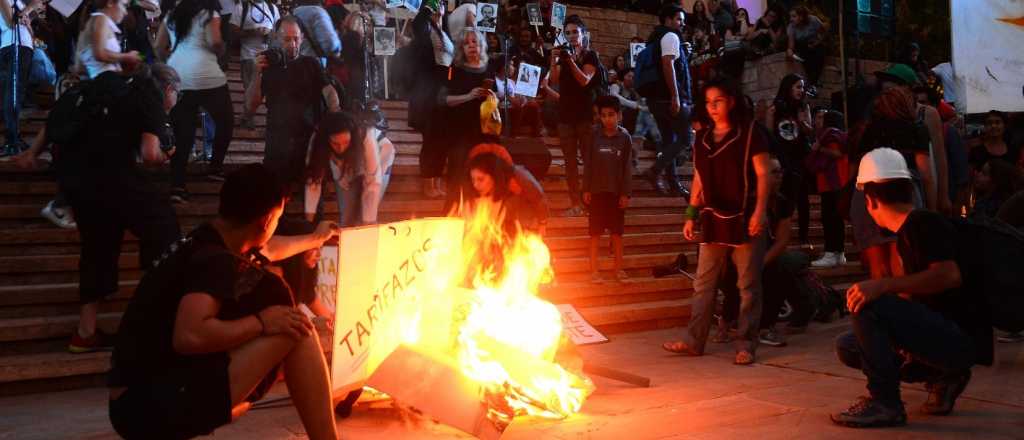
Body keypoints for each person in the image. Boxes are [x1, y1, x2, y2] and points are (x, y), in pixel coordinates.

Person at [108, 164, 342, 440]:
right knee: (297, 329)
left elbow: (270, 247)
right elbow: (190, 336)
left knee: (291, 327)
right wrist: (261, 322)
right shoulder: (214, 261)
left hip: (133, 398)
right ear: (266, 220)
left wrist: (316, 238)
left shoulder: (209, 239)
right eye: (277, 218)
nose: (275, 225)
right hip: (145, 407)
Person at [831, 148, 992, 428]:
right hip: (947, 336)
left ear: (869, 199)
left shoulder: (924, 223)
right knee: (849, 345)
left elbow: (948, 275)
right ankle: (942, 377)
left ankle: (885, 403)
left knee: (866, 301)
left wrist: (882, 286)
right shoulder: (911, 230)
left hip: (960, 340)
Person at [30, 64, 181, 353]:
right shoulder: (150, 95)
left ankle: (85, 333)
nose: (175, 103)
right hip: (114, 177)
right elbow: (150, 155)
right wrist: (167, 154)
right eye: (178, 96)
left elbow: (53, 122)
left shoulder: (99, 90)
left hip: (78, 183)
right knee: (165, 230)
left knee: (97, 249)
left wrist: (31, 153)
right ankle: (155, 319)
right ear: (169, 89)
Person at [662, 77, 772, 366]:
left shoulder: (750, 134)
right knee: (703, 283)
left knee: (747, 285)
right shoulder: (703, 138)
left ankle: (746, 342)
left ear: (731, 102)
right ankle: (693, 340)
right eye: (708, 102)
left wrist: (760, 210)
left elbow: (763, 174)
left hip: (745, 217)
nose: (712, 107)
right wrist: (690, 213)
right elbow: (698, 176)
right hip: (712, 218)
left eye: (718, 101)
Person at [716, 155, 813, 347]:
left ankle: (766, 327)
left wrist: (760, 263)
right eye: (774, 172)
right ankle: (726, 322)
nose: (780, 176)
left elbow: (782, 240)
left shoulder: (783, 202)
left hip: (767, 255)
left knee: (780, 268)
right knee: (732, 271)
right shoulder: (746, 200)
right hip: (740, 253)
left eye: (781, 172)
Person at [246, 15, 340, 185]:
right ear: (276, 37)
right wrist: (256, 72)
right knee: (274, 200)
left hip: (308, 142)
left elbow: (329, 92)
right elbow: (250, 106)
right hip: (278, 144)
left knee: (312, 197)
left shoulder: (311, 64)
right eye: (287, 39)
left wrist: (336, 119)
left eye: (296, 39)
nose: (293, 44)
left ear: (302, 38)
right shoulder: (267, 65)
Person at [156, 0, 234, 203]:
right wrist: (222, 50)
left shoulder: (171, 14)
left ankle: (178, 186)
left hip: (179, 76)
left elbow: (159, 47)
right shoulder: (209, 13)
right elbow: (215, 42)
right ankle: (215, 167)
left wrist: (171, 61)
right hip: (208, 76)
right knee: (225, 122)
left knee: (183, 133)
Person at [850, 87, 932, 280]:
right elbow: (926, 174)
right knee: (903, 258)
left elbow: (853, 170)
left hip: (867, 192)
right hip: (903, 191)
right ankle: (903, 306)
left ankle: (883, 307)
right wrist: (932, 209)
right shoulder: (917, 129)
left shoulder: (867, 130)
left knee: (877, 264)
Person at [303, 112, 395, 227]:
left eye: (345, 142)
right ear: (326, 139)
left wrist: (368, 224)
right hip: (346, 166)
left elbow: (372, 184)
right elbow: (313, 182)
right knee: (347, 219)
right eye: (335, 143)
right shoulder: (318, 139)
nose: (341, 148)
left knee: (366, 216)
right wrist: (307, 224)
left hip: (380, 156)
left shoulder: (365, 135)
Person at [549, 14, 600, 216]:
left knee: (588, 161)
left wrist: (570, 61)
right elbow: (553, 79)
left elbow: (584, 80)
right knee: (570, 162)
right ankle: (575, 204)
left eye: (575, 32)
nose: (571, 35)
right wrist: (553, 60)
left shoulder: (590, 55)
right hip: (565, 114)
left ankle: (590, 203)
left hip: (584, 114)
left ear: (582, 33)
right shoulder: (563, 55)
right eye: (567, 32)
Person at [442, 28, 496, 210]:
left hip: (484, 132)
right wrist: (468, 96)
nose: (472, 46)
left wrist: (492, 98)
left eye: (475, 42)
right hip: (459, 133)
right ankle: (450, 217)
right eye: (467, 43)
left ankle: (478, 222)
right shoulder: (454, 69)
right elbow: (444, 100)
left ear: (482, 45)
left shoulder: (489, 68)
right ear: (461, 48)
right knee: (457, 178)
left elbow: (495, 97)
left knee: (482, 178)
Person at [642, 5, 693, 198]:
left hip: (655, 99)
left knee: (669, 140)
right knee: (686, 138)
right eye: (679, 19)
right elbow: (668, 64)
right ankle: (655, 170)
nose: (682, 23)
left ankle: (673, 183)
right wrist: (675, 96)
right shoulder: (670, 36)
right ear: (668, 19)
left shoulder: (655, 38)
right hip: (668, 98)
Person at [583, 96, 633, 283]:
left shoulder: (625, 137)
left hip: (616, 194)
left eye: (611, 115)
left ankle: (618, 270)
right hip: (596, 192)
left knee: (617, 234)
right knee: (594, 234)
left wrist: (625, 193)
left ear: (619, 115)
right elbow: (588, 164)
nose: (607, 119)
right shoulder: (594, 135)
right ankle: (594, 272)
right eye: (603, 115)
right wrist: (586, 189)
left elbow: (627, 168)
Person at [410, 1, 453, 199]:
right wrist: (428, 8)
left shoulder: (444, 30)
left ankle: (436, 181)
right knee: (430, 141)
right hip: (430, 91)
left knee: (442, 141)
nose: (440, 8)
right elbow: (417, 23)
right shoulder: (425, 28)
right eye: (437, 4)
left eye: (442, 4)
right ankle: (427, 183)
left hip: (445, 89)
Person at [766, 74, 813, 244]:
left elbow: (810, 132)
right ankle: (777, 235)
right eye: (797, 87)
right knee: (781, 196)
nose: (801, 90)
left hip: (799, 157)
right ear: (788, 87)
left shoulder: (803, 108)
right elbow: (769, 134)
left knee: (802, 198)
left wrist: (802, 122)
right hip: (782, 158)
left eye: (802, 87)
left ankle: (803, 237)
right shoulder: (776, 108)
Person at [464, 143, 549, 237]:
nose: (475, 184)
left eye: (480, 179)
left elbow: (539, 199)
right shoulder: (475, 187)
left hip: (521, 218)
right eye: (473, 179)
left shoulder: (519, 177)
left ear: (494, 175)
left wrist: (542, 224)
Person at [808, 108, 849, 268]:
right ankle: (839, 253)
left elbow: (836, 153)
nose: (819, 121)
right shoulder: (841, 133)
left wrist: (819, 148)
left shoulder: (831, 133)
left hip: (832, 182)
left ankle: (831, 252)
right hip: (838, 182)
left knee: (830, 218)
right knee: (836, 219)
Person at [0, 0, 42, 156]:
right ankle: (11, 138)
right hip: (12, 46)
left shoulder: (20, 3)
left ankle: (14, 135)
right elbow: (11, 22)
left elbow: (26, 27)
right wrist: (30, 8)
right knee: (13, 91)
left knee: (18, 92)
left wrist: (28, 20)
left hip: (25, 47)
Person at [230, 0, 279, 129]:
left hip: (270, 56)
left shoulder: (272, 8)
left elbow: (279, 31)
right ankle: (248, 118)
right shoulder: (242, 7)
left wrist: (270, 33)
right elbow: (233, 31)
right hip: (248, 56)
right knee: (249, 87)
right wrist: (252, 32)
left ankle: (267, 119)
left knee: (271, 89)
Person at [76, 0, 140, 80]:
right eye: (124, 6)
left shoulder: (101, 20)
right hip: (100, 84)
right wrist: (127, 57)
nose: (125, 12)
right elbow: (100, 54)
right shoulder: (101, 19)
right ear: (110, 3)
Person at [786, 6, 826, 94]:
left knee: (819, 53)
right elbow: (791, 45)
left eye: (794, 16)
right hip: (803, 47)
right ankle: (810, 85)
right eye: (790, 16)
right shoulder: (791, 27)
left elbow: (823, 31)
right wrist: (790, 51)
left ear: (801, 16)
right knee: (806, 57)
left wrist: (817, 42)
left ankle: (812, 84)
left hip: (815, 45)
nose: (791, 19)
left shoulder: (813, 20)